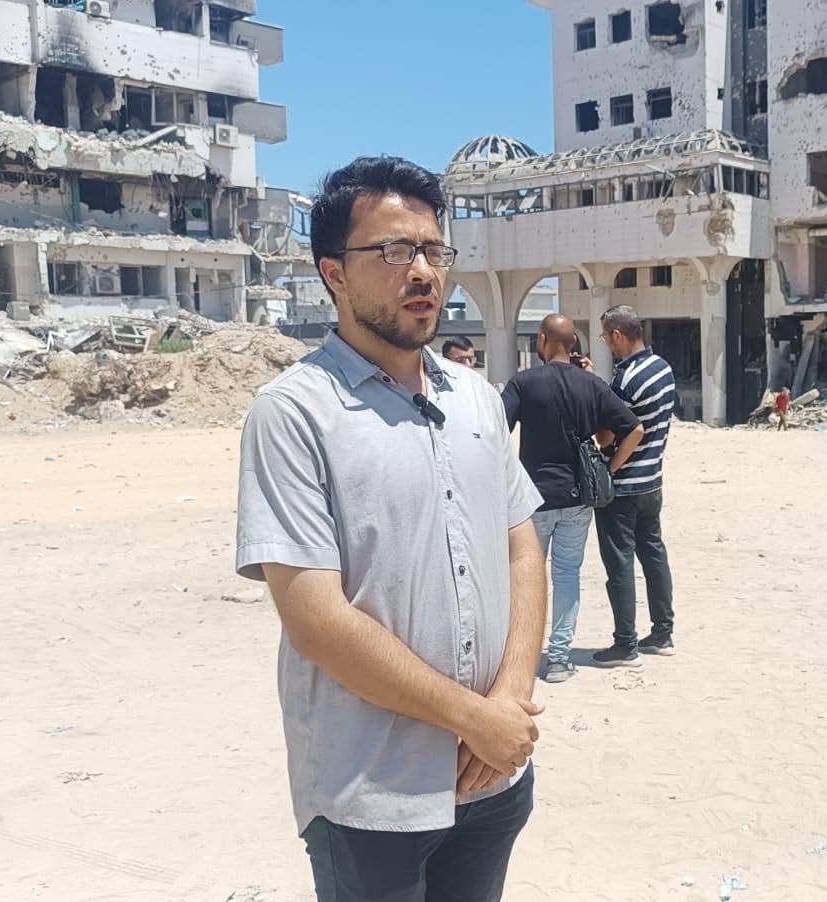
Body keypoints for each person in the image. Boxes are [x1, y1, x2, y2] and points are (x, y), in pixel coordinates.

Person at [235, 157, 547, 901]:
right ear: (334, 274)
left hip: (493, 779)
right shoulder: (294, 414)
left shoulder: (476, 398)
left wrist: (509, 697)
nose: (424, 272)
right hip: (371, 793)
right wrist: (474, 717)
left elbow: (521, 549)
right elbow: (315, 619)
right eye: (395, 251)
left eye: (434, 250)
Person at [502, 314, 645, 684]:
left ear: (543, 339)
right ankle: (559, 658)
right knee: (567, 576)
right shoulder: (592, 384)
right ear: (574, 344)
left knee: (525, 576)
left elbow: (495, 432)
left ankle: (520, 656)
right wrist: (610, 468)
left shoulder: (524, 382)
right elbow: (634, 429)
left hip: (532, 498)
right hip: (578, 497)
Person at [594, 305, 678, 664]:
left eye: (605, 336)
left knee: (620, 564)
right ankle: (662, 633)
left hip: (624, 484)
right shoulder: (662, 367)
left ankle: (625, 643)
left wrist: (610, 467)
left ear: (617, 335)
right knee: (654, 555)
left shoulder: (625, 379)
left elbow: (608, 435)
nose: (606, 343)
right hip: (652, 480)